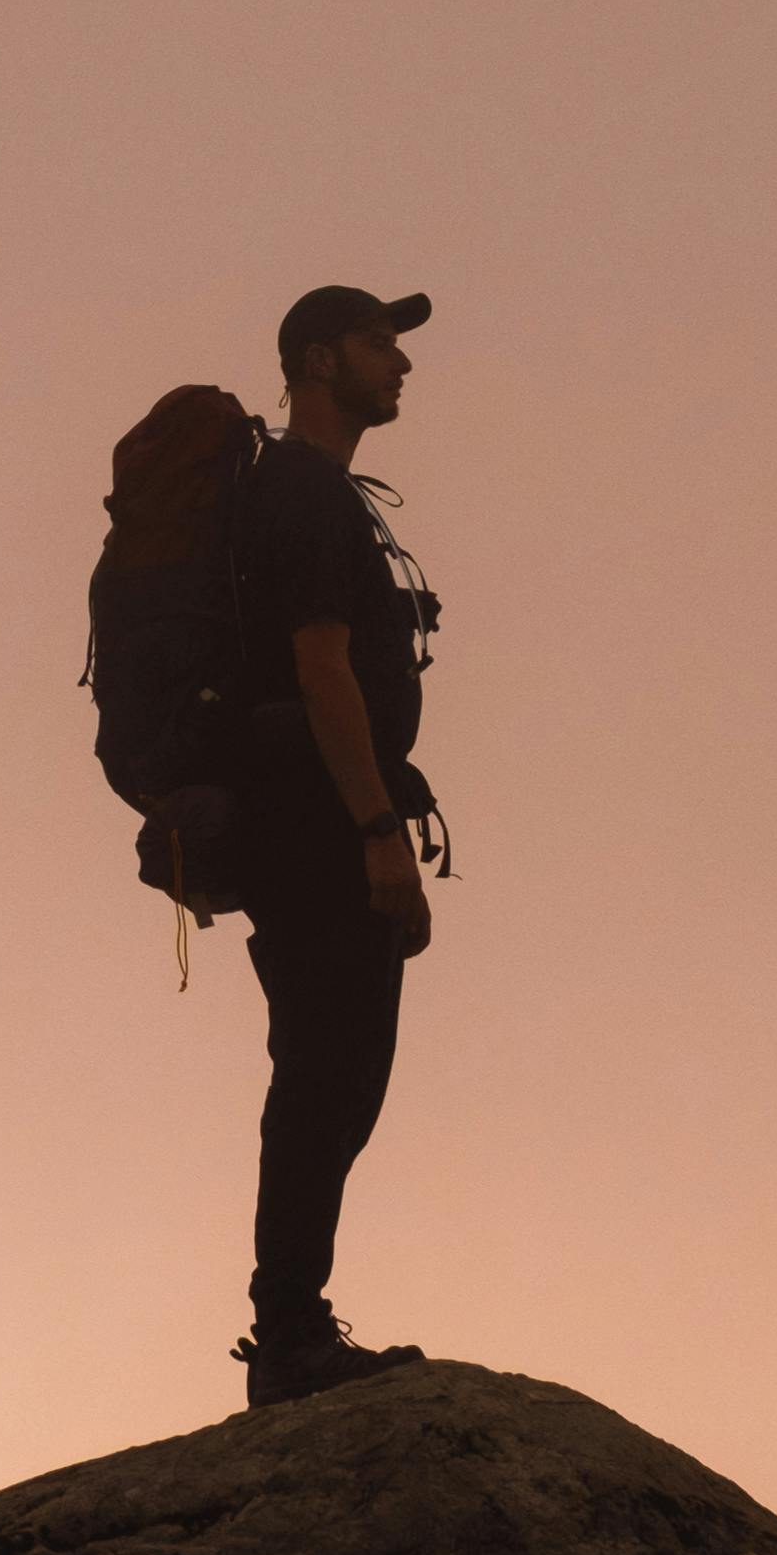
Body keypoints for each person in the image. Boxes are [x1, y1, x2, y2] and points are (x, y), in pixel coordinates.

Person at [227, 285, 445, 1411]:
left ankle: (292, 1327)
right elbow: (321, 669)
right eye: (377, 344)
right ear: (317, 359)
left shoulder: (309, 491)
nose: (399, 364)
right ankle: (290, 1338)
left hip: (310, 820)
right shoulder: (304, 494)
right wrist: (377, 833)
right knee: (325, 1073)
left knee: (334, 1072)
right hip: (316, 824)